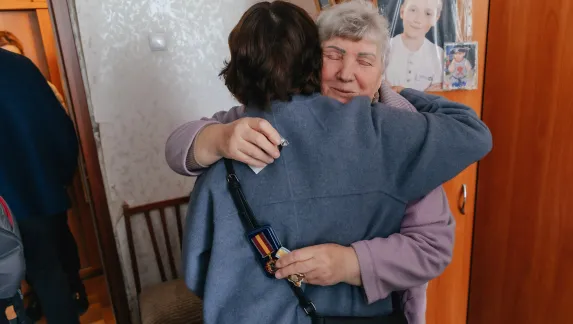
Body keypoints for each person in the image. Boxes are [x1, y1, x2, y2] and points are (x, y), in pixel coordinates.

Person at [180, 1, 491, 324]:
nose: (346, 73)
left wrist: (349, 263)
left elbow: (196, 271)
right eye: (334, 55)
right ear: (311, 62)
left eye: (365, 60)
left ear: (382, 71)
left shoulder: (400, 133)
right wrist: (213, 138)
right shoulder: (236, 132)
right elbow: (473, 131)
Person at [0, 48, 84, 324]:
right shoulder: (21, 68)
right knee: (51, 278)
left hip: (19, 202)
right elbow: (61, 131)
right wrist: (56, 179)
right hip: (38, 198)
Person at [384, 0, 444, 91]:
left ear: (436, 18)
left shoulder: (439, 55)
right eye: (413, 10)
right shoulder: (384, 47)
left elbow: (435, 94)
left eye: (428, 13)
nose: (418, 20)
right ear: (402, 11)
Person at [0, 31, 67, 108]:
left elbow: (59, 115)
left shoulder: (42, 87)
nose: (12, 67)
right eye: (6, 62)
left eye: (16, 60)